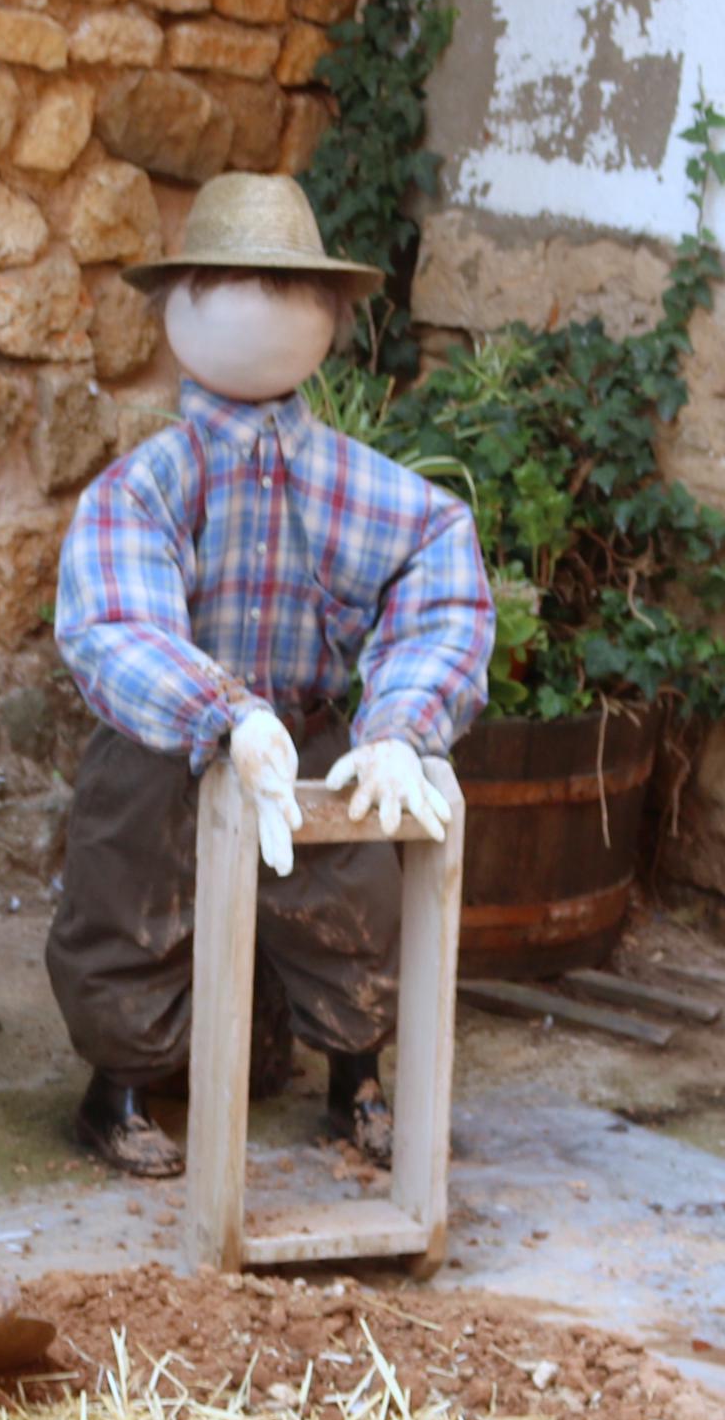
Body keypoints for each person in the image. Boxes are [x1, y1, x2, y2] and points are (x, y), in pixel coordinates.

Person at [46, 172, 494, 1177]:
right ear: (179, 307)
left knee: (355, 890)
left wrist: (397, 725)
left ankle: (356, 1077)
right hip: (169, 743)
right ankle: (113, 1085)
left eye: (286, 287)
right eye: (234, 282)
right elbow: (114, 619)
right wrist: (221, 711)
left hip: (315, 732)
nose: (261, 305)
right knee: (129, 894)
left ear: (330, 314)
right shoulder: (151, 483)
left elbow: (442, 582)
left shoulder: (362, 487)